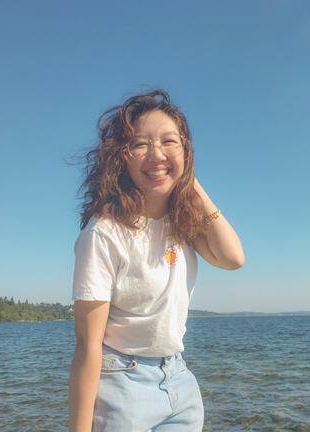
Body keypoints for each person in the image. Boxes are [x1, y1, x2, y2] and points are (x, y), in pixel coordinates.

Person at [68, 89, 245, 432]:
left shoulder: (184, 223)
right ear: (121, 156)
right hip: (122, 385)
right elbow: (88, 346)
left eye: (169, 142)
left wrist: (188, 180)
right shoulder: (104, 233)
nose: (156, 155)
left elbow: (233, 258)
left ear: (186, 150)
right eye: (140, 144)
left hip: (179, 379)